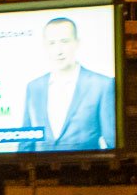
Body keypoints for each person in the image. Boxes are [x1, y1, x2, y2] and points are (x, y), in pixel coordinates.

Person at [20, 17, 116, 153]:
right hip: (40, 165)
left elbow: (113, 142)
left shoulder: (102, 85)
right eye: (52, 43)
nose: (58, 51)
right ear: (45, 46)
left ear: (77, 43)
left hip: (85, 165)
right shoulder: (34, 87)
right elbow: (26, 142)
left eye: (64, 41)